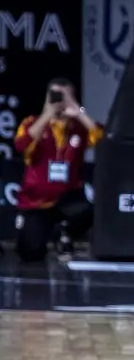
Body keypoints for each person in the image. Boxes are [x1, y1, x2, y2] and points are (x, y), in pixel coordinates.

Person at [12, 78, 99, 262]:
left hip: (68, 200)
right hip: (37, 202)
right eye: (56, 95)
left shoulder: (78, 128)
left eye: (65, 96)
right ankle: (43, 235)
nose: (60, 101)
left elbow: (101, 137)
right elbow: (21, 145)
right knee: (30, 252)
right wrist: (47, 113)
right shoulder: (32, 123)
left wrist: (79, 111)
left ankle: (65, 235)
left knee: (91, 212)